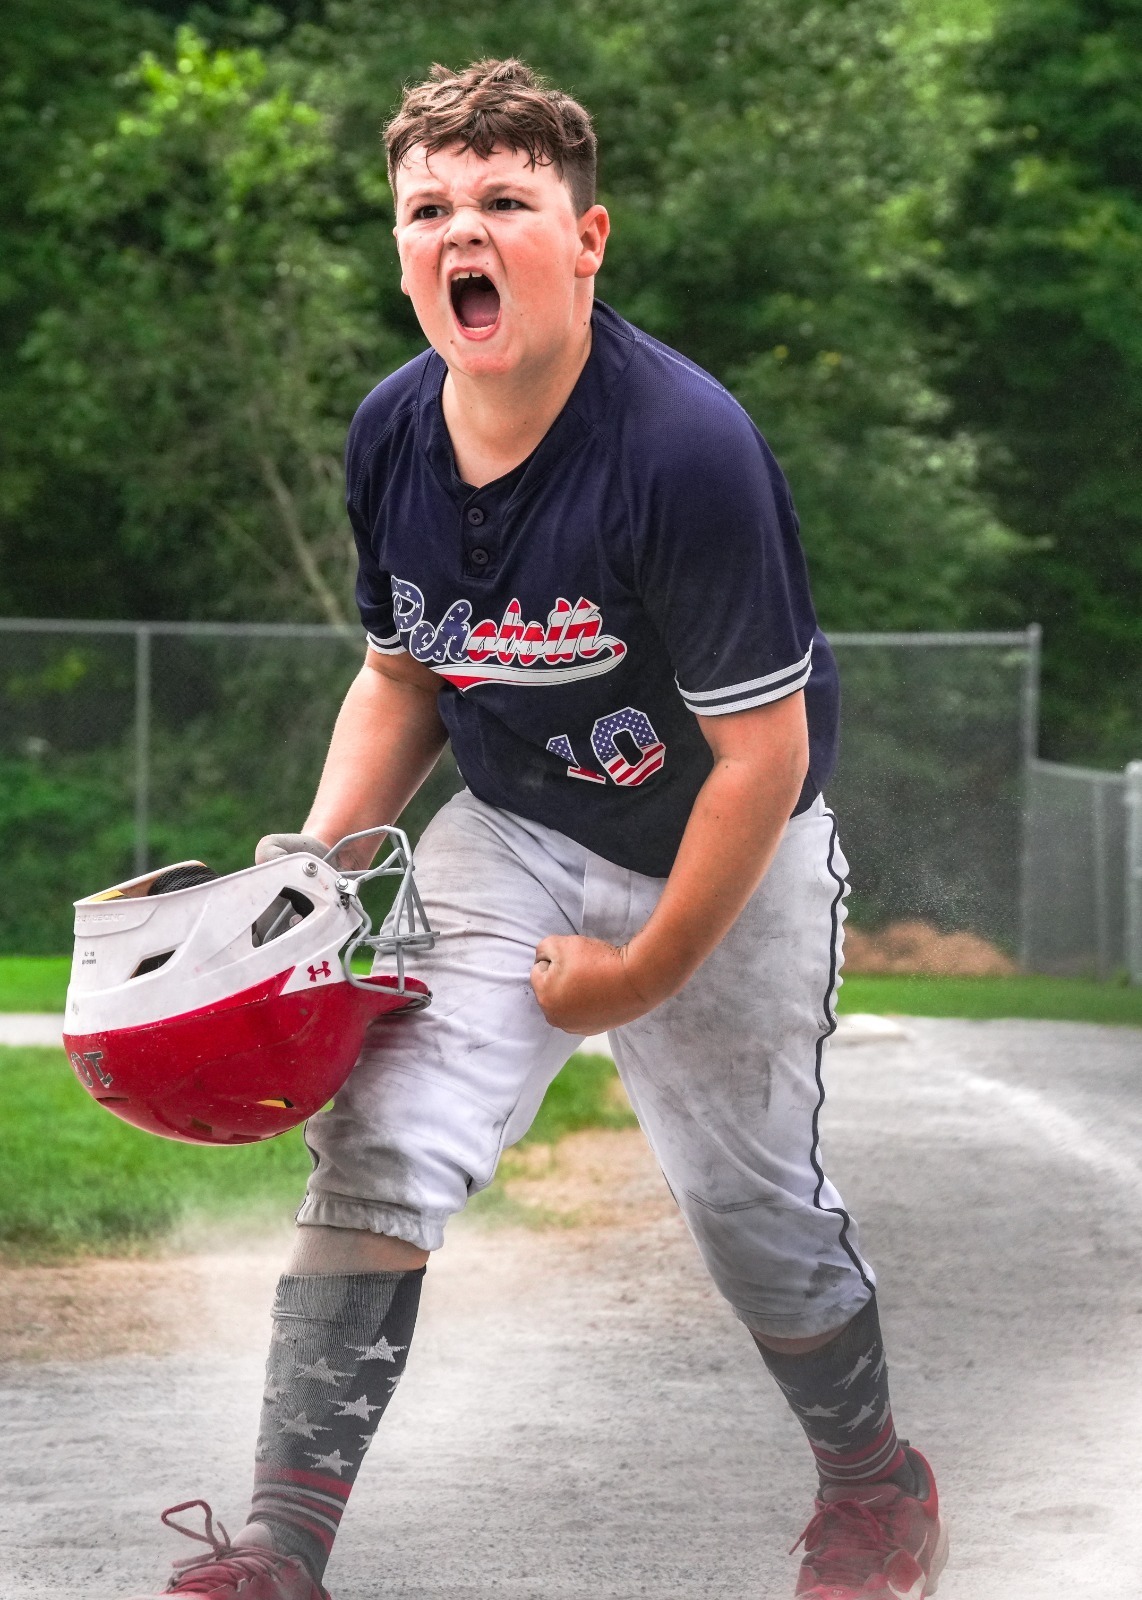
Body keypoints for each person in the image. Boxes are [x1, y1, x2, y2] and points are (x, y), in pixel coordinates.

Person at [128, 57, 947, 1600]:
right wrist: (307, 877)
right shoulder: (393, 433)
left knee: (750, 1210)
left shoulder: (680, 449)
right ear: (399, 250)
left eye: (506, 200)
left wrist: (636, 980)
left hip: (721, 849)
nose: (464, 230)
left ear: (586, 238)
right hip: (508, 833)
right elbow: (401, 676)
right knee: (379, 1149)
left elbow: (759, 759)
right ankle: (281, 1554)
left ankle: (870, 1485)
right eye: (428, 207)